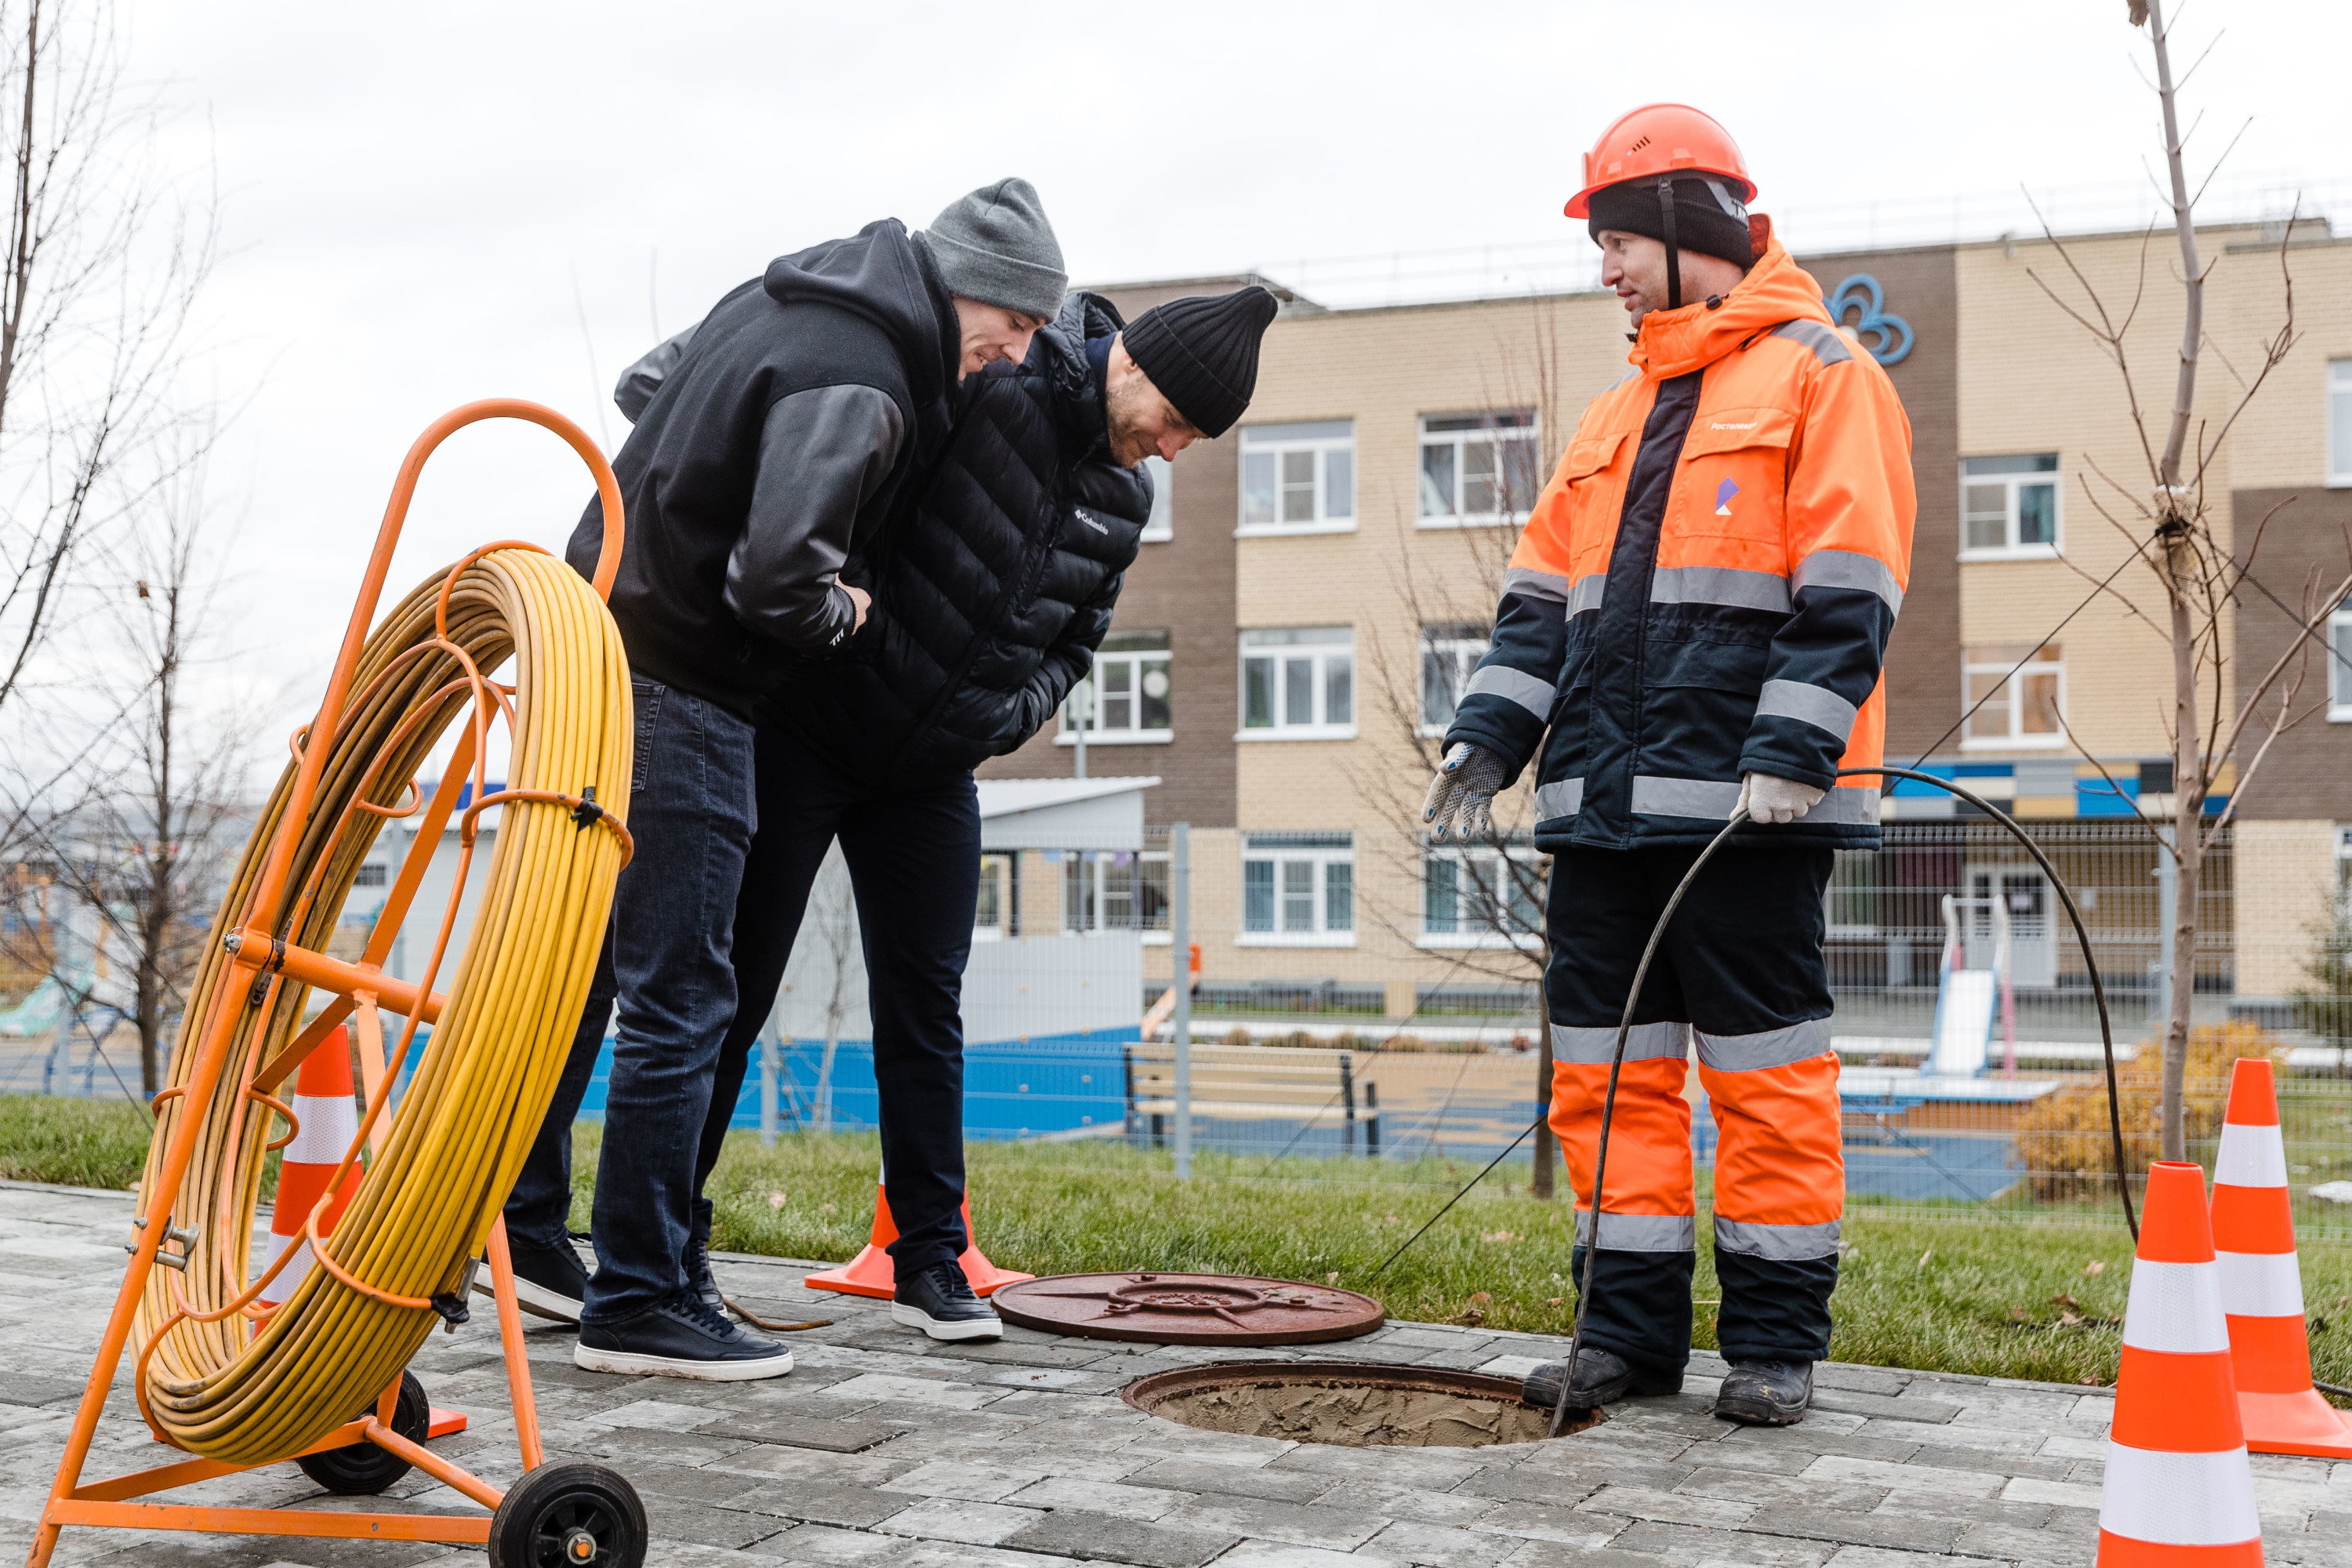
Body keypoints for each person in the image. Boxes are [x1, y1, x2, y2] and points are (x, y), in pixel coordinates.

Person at [492, 180, 1069, 1381]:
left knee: (597, 966)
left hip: (597, 646)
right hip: (687, 680)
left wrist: (699, 484)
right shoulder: (865, 372)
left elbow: (654, 387)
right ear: (972, 288)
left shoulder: (784, 298)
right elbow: (776, 585)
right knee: (685, 996)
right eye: (1010, 329)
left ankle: (529, 1234)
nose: (1008, 358)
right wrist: (850, 604)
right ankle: (643, 1296)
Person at [1422, 104, 1914, 1426]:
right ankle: (1623, 1342)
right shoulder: (1612, 417)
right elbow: (1536, 602)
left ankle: (1773, 1347)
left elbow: (1852, 586)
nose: (1605, 269)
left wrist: (1795, 749)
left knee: (1763, 1087)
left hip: (1752, 814)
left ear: (1696, 228)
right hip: (1596, 810)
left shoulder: (1825, 375)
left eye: (1621, 239)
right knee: (1607, 1080)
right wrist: (1491, 733)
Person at [701, 283, 1280, 1341]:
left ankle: (930, 1256)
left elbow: (1077, 645)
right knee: (735, 986)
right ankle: (669, 1239)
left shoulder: (1125, 500)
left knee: (926, 1014)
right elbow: (866, 502)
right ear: (1138, 371)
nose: (1176, 450)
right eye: (1181, 423)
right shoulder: (995, 391)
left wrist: (1003, 716)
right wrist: (850, 637)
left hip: (934, 771)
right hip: (812, 730)